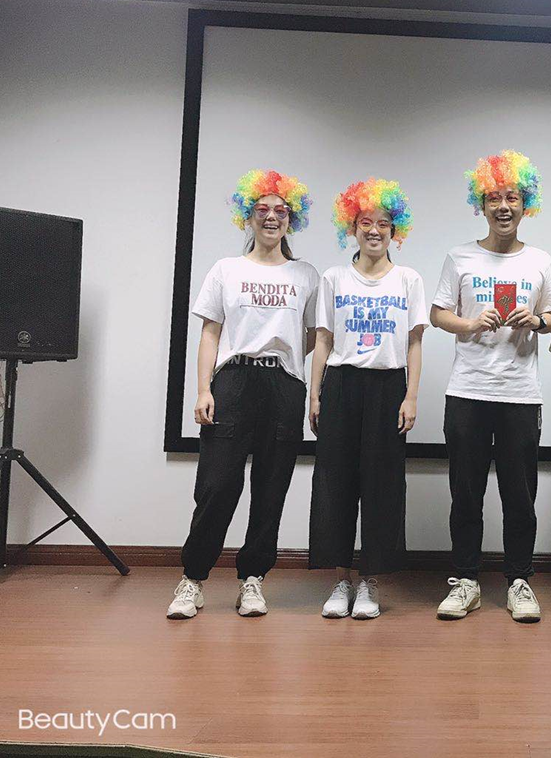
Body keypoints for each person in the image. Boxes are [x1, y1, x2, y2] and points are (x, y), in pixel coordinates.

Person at [167, 169, 319, 619]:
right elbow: (210, 333)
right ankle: (193, 579)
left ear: (291, 219)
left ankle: (253, 579)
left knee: (271, 488)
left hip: (284, 385)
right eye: (262, 209)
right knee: (217, 485)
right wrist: (203, 389)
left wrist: (283, 355)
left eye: (281, 211)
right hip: (232, 381)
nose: (271, 217)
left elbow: (314, 335)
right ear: (248, 217)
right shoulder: (226, 270)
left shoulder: (306, 275)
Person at [431, 149, 551, 623]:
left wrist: (537, 320)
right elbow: (437, 314)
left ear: (526, 205)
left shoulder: (540, 261)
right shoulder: (459, 256)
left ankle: (519, 581)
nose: (503, 206)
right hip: (467, 391)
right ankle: (466, 581)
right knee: (465, 493)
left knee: (520, 495)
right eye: (493, 198)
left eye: (512, 198)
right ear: (481, 205)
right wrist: (468, 323)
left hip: (520, 394)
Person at [309, 178, 427, 619]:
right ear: (352, 227)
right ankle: (341, 580)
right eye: (365, 222)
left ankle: (370, 582)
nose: (374, 230)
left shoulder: (408, 280)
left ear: (395, 231)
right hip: (341, 384)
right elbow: (323, 339)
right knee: (335, 484)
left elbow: (415, 342)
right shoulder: (334, 277)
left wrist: (411, 396)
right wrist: (315, 395)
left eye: (383, 223)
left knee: (382, 487)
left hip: (388, 387)